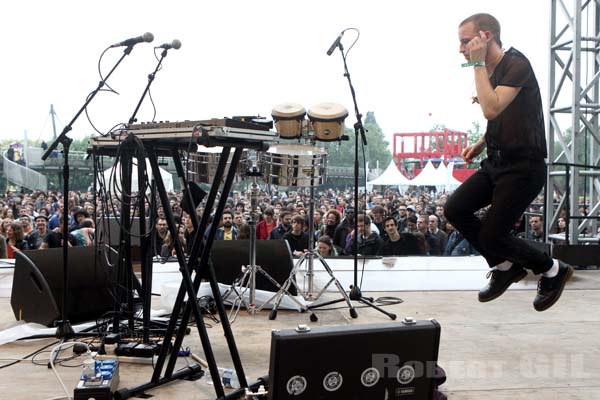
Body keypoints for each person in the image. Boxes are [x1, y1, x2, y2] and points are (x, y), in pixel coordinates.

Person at [444, 13, 573, 312]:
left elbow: (491, 108)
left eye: (466, 41)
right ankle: (504, 266)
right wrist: (481, 143)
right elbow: (504, 117)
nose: (461, 49)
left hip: (524, 167)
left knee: (493, 233)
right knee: (455, 209)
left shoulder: (517, 64)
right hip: (496, 163)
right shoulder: (490, 70)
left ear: (485, 36)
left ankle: (553, 269)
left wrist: (477, 65)